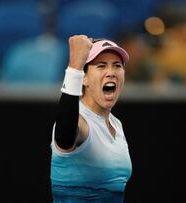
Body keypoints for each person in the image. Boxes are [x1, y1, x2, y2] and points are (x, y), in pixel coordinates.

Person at [50, 35, 132, 203]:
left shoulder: (117, 125)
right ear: (84, 78)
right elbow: (65, 132)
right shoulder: (81, 122)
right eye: (101, 66)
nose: (111, 73)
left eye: (117, 66)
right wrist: (74, 67)